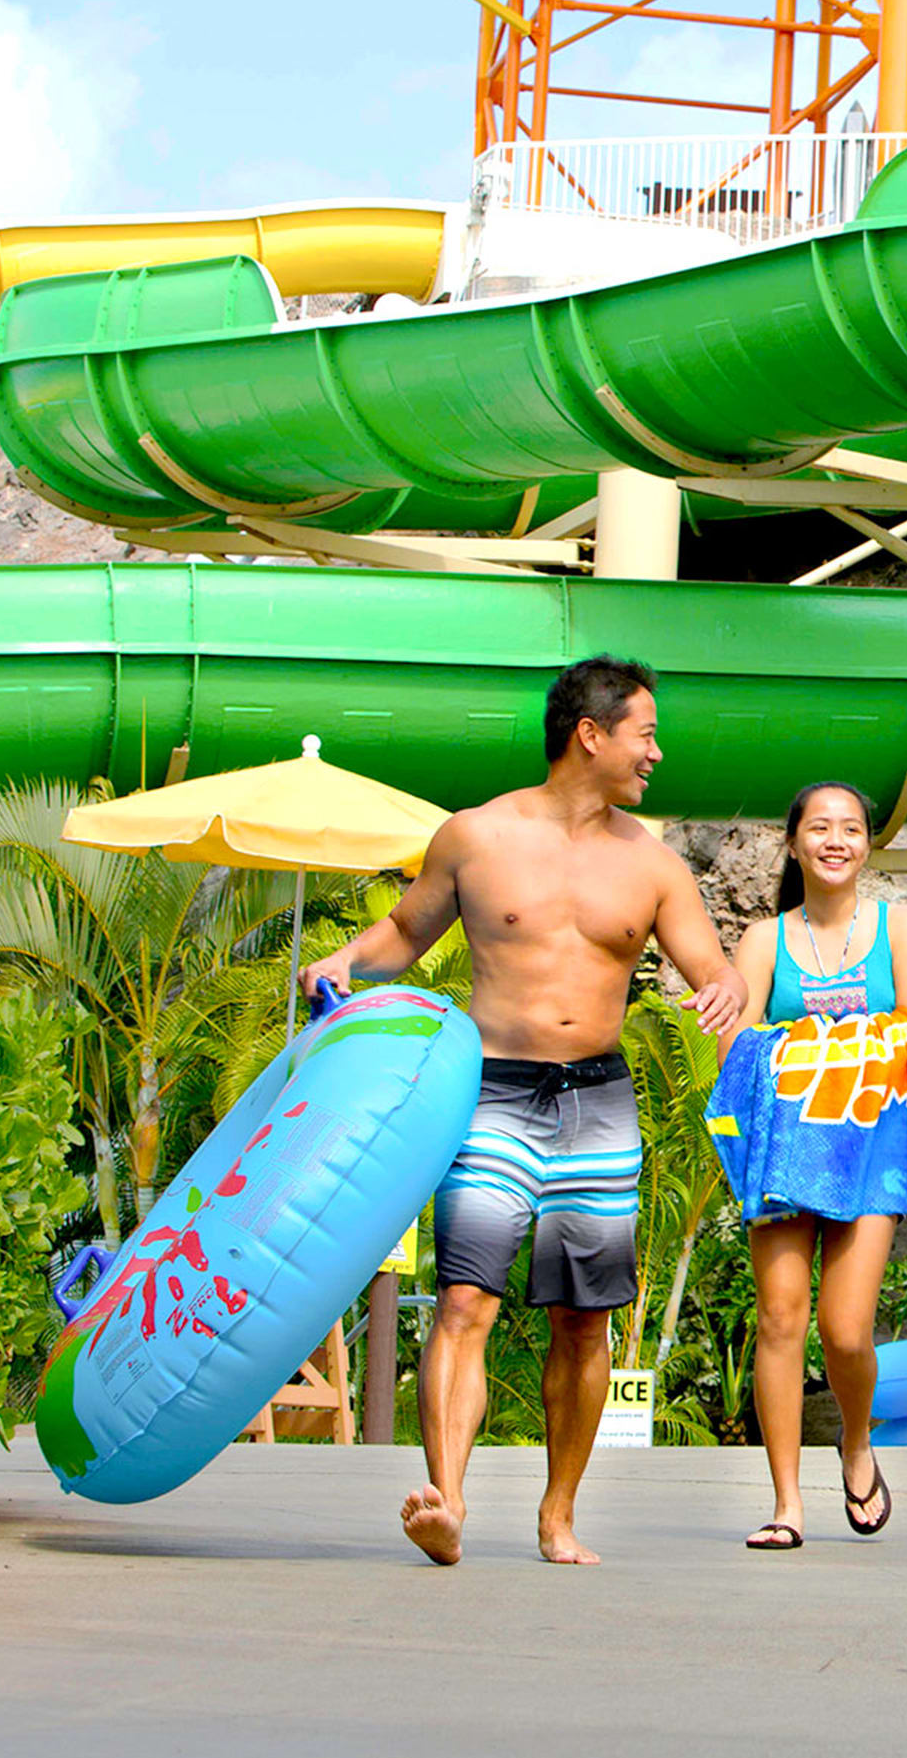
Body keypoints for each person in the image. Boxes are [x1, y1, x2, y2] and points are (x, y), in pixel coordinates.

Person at [302, 655, 745, 1568]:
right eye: (645, 733)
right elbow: (405, 932)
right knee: (466, 1299)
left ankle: (558, 1515)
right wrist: (343, 964)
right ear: (592, 734)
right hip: (489, 1092)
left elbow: (711, 965)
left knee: (584, 1320)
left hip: (597, 1101)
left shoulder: (654, 866)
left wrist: (727, 989)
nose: (655, 752)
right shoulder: (475, 836)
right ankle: (448, 1504)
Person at [723, 777, 907, 1550]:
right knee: (781, 1317)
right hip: (785, 1151)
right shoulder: (763, 940)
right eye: (819, 827)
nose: (836, 840)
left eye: (851, 828)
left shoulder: (900, 926)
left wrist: (814, 1048)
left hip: (869, 1146)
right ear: (794, 842)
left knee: (845, 1330)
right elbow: (735, 1052)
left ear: (868, 844)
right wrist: (840, 1041)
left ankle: (855, 1441)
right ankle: (786, 1501)